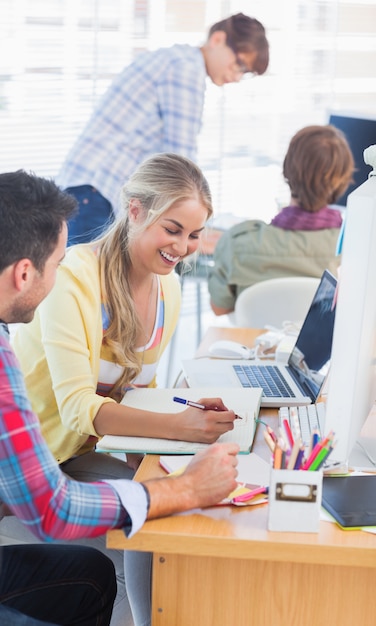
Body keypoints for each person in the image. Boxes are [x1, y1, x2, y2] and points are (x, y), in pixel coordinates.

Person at [0, 169, 239, 625]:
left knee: (92, 577)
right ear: (26, 271)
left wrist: (154, 455)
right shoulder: (71, 286)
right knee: (163, 510)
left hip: (75, 452)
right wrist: (178, 487)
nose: (59, 274)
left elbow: (136, 391)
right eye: (56, 263)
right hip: (44, 464)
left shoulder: (166, 286)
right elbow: (51, 507)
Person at [56, 12, 269, 244]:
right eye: (239, 64)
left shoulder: (173, 59)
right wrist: (198, 232)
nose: (237, 77)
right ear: (217, 39)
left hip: (88, 188)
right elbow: (181, 162)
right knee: (87, 278)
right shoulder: (186, 70)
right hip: (97, 192)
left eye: (244, 72)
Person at [208, 124, 355, 316]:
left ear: (286, 170)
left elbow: (220, 307)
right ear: (342, 183)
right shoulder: (353, 251)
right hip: (320, 346)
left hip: (254, 345)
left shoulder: (237, 242)